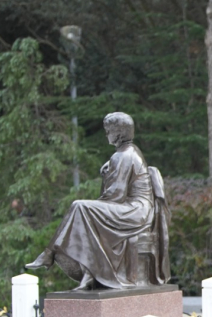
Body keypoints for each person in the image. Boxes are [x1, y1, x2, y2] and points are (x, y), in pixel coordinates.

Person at [25, 112, 170, 290]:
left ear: (118, 133)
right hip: (137, 210)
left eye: (108, 130)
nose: (106, 134)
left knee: (81, 207)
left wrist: (105, 181)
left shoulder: (123, 155)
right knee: (85, 212)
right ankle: (88, 274)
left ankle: (50, 254)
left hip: (135, 211)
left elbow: (115, 195)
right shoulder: (129, 152)